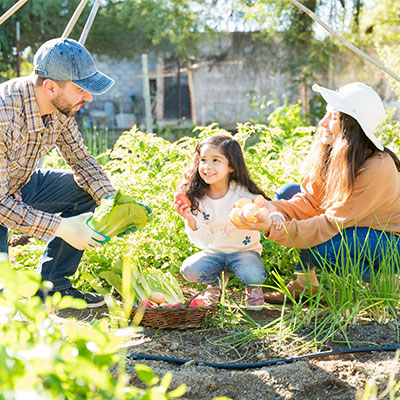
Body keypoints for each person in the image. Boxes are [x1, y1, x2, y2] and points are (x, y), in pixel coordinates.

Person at [233, 82, 400, 303]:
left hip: (389, 244)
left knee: (323, 247)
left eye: (333, 117)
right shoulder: (336, 154)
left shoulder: (377, 167)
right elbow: (311, 201)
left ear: (352, 126)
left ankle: (386, 282)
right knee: (287, 193)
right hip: (354, 228)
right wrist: (271, 208)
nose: (322, 123)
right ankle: (307, 286)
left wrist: (272, 227)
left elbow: (329, 225)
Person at [0, 37, 118, 308]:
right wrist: (62, 227)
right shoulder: (3, 115)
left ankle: (53, 290)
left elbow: (82, 161)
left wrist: (113, 201)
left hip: (17, 186)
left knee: (83, 190)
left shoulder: (60, 110)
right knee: (3, 305)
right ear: (50, 86)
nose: (88, 97)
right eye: (81, 89)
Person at [174, 134, 285, 310]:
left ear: (231, 166)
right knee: (189, 270)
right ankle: (215, 283)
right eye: (203, 160)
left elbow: (265, 204)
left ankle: (253, 288)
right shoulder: (199, 199)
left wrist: (275, 215)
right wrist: (189, 218)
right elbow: (204, 242)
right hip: (215, 253)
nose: (207, 167)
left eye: (215, 160)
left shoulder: (241, 192)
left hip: (244, 252)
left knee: (253, 274)